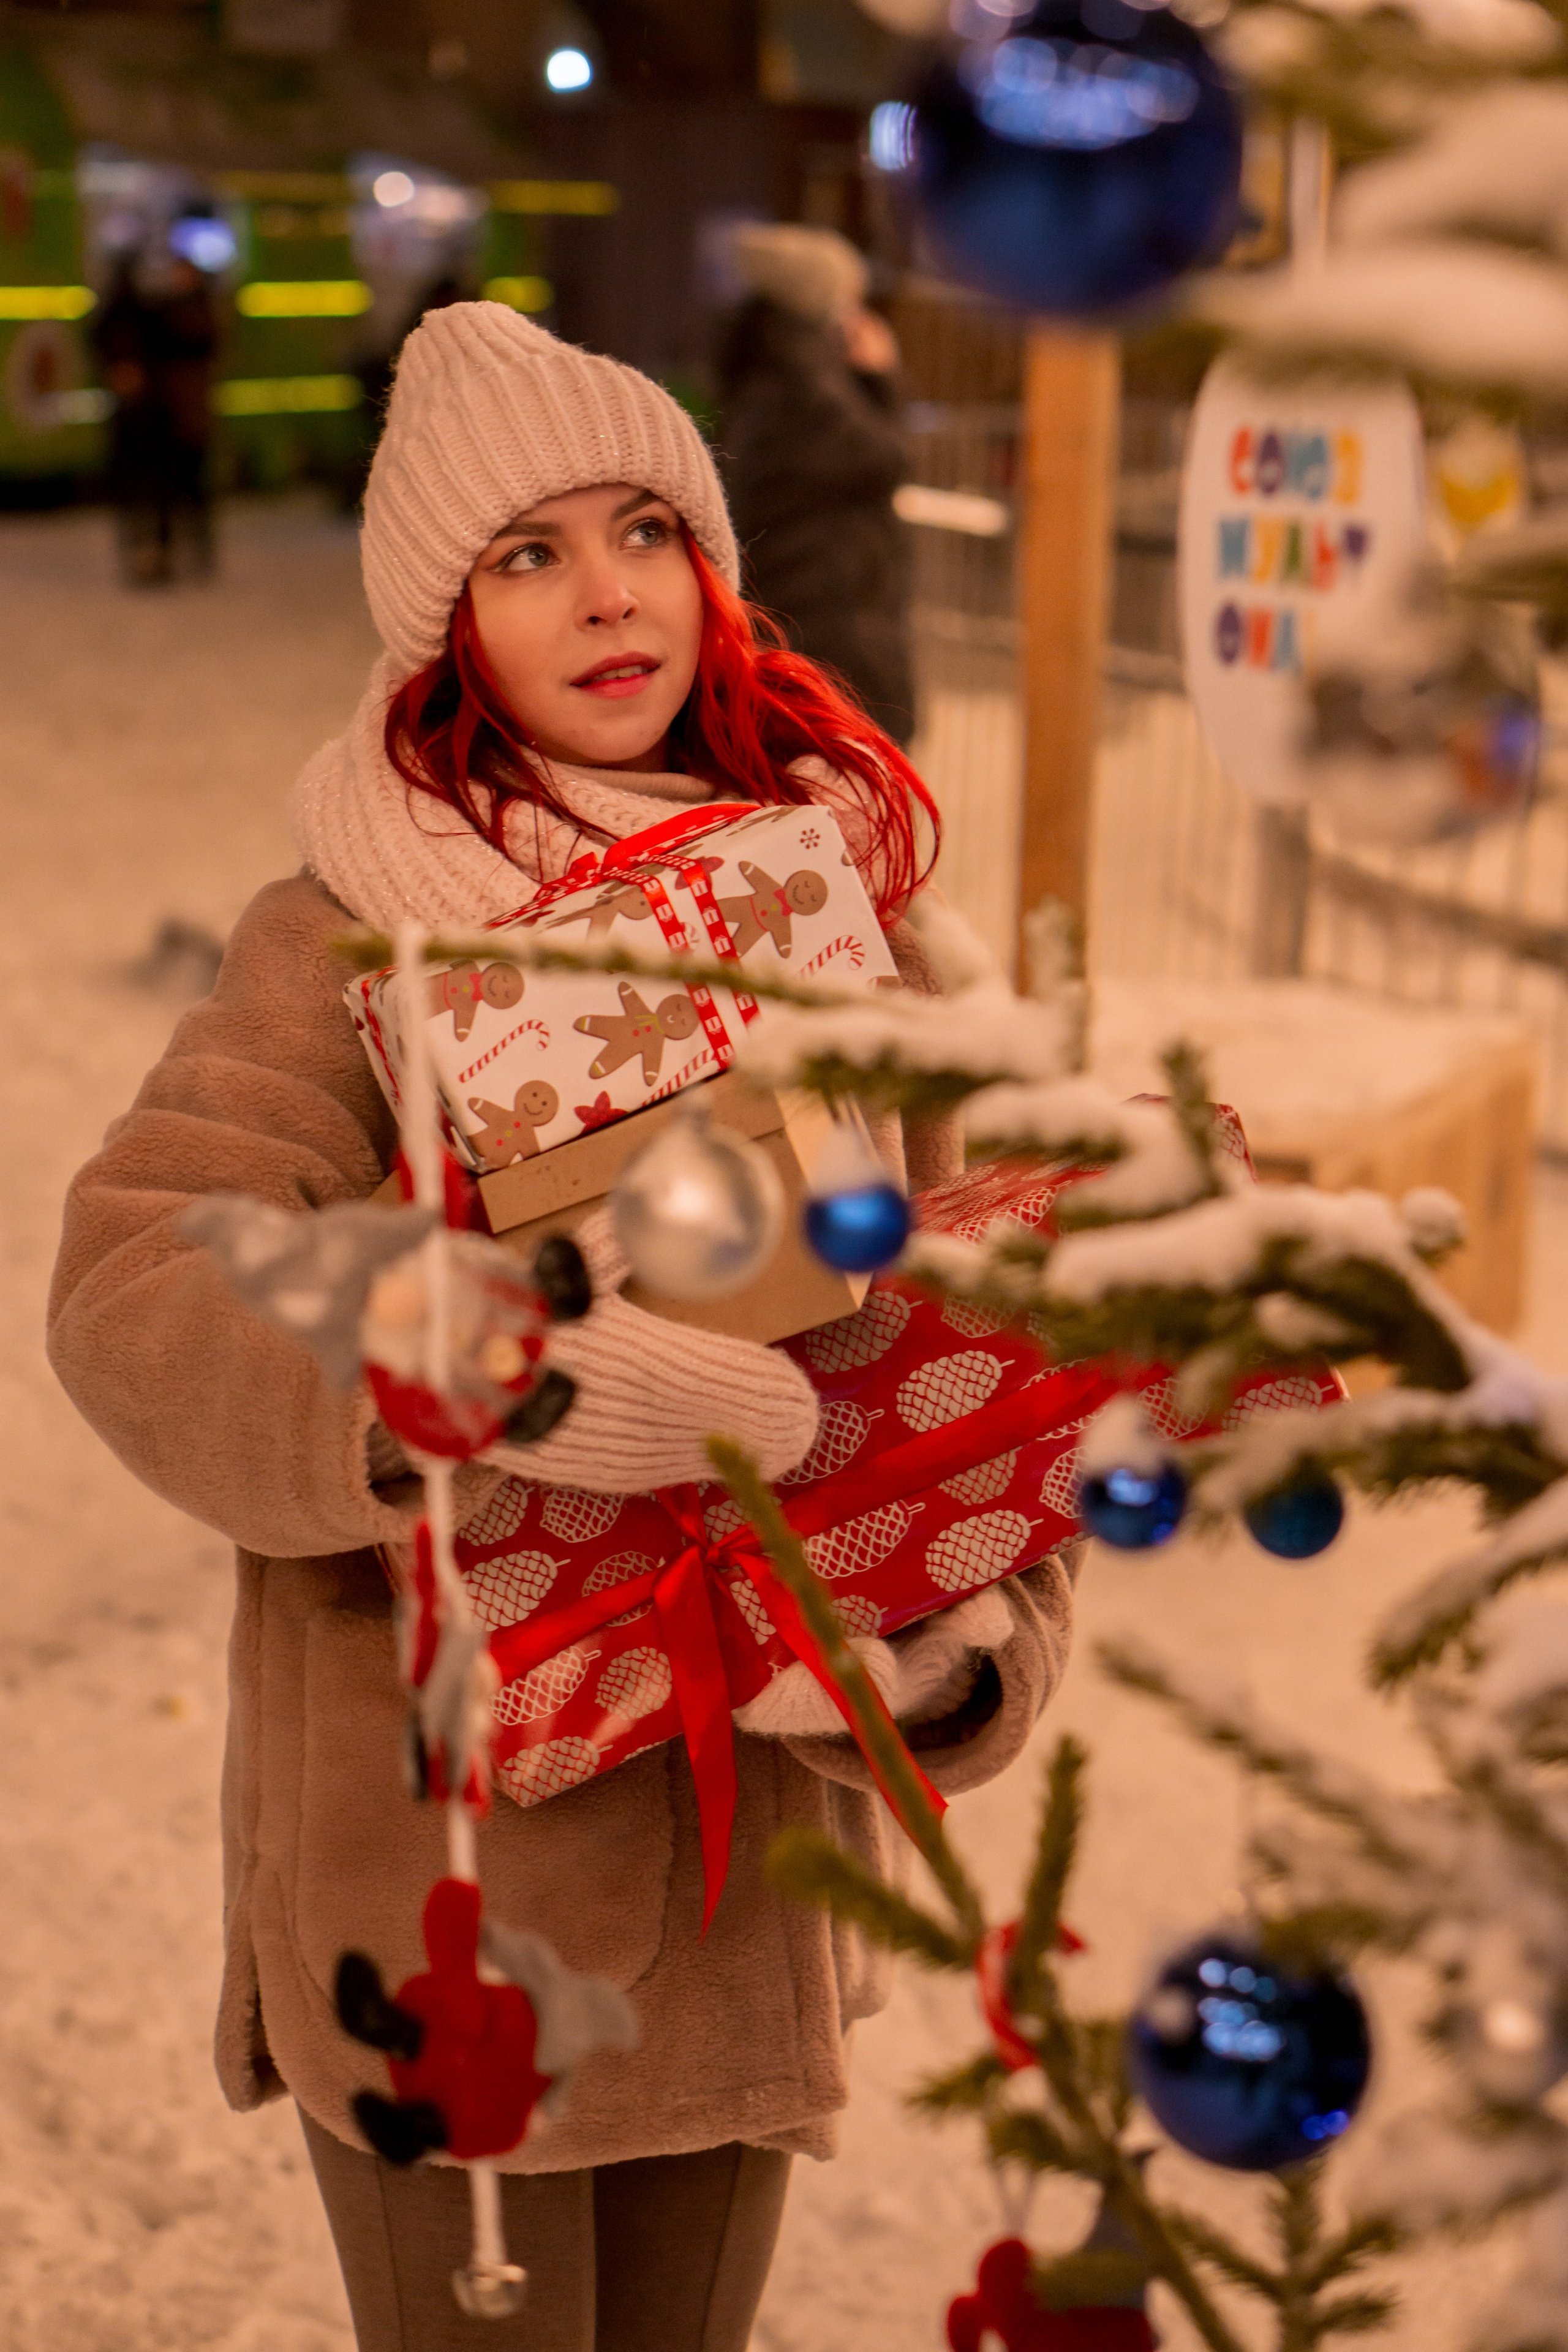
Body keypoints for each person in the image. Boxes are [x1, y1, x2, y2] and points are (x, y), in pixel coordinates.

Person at [48, 306, 1076, 2352]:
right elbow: (135, 1282)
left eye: (641, 529)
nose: (609, 591)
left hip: (738, 1871)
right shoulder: (354, 936)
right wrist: (492, 1361)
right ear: (447, 626)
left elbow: (974, 1374)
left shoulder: (848, 924)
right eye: (527, 554)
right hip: (448, 1908)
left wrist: (942, 1655)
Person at [718, 223, 916, 745]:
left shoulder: (773, 365)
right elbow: (882, 457)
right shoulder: (803, 382)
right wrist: (880, 377)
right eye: (848, 298)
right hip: (828, 613)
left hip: (805, 607)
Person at [92, 247, 219, 586]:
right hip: (160, 416)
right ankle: (162, 552)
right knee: (164, 489)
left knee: (173, 488)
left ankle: (165, 552)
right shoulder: (152, 312)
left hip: (166, 414)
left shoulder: (157, 312)